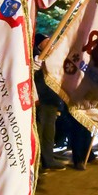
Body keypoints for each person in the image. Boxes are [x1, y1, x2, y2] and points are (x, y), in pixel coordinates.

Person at [33, 33, 66, 172]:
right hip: (41, 101)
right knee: (39, 133)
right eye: (47, 42)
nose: (50, 45)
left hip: (52, 101)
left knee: (49, 133)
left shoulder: (53, 59)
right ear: (39, 44)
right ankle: (37, 163)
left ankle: (48, 159)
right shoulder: (35, 59)